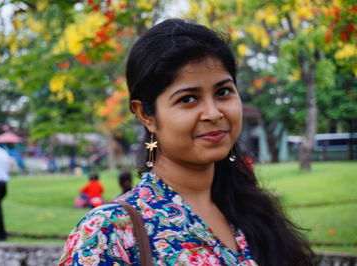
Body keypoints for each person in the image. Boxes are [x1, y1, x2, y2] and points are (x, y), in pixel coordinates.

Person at [59, 19, 315, 265]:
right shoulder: (109, 234)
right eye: (188, 99)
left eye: (223, 92)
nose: (214, 113)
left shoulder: (254, 212)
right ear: (146, 114)